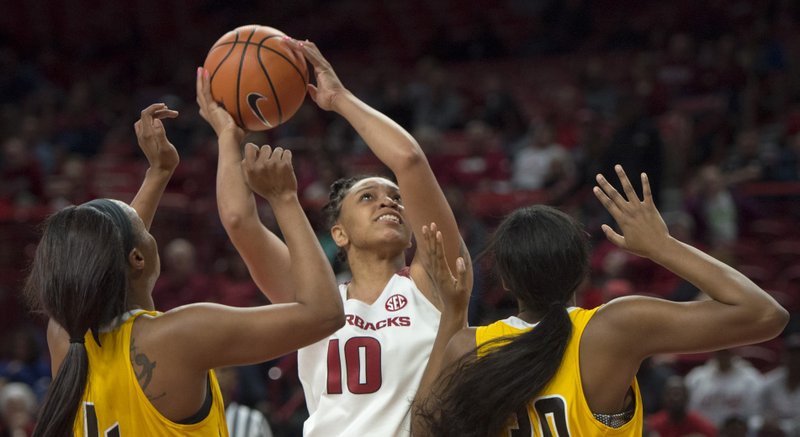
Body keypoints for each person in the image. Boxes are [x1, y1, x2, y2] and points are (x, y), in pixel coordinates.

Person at [196, 36, 472, 437]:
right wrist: (228, 137)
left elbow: (409, 160)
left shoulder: (431, 285)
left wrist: (339, 98)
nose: (389, 202)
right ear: (338, 233)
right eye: (368, 197)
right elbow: (240, 221)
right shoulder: (317, 301)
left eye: (396, 198)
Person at [24, 102, 344, 436]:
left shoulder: (64, 334)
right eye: (146, 233)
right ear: (136, 259)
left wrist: (158, 172)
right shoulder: (179, 335)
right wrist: (284, 198)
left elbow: (109, 249)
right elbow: (325, 314)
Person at [414, 165, 788, 436]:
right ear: (583, 272)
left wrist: (453, 315)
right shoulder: (613, 328)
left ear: (507, 282)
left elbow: (418, 432)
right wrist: (663, 247)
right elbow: (765, 314)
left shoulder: (468, 346)